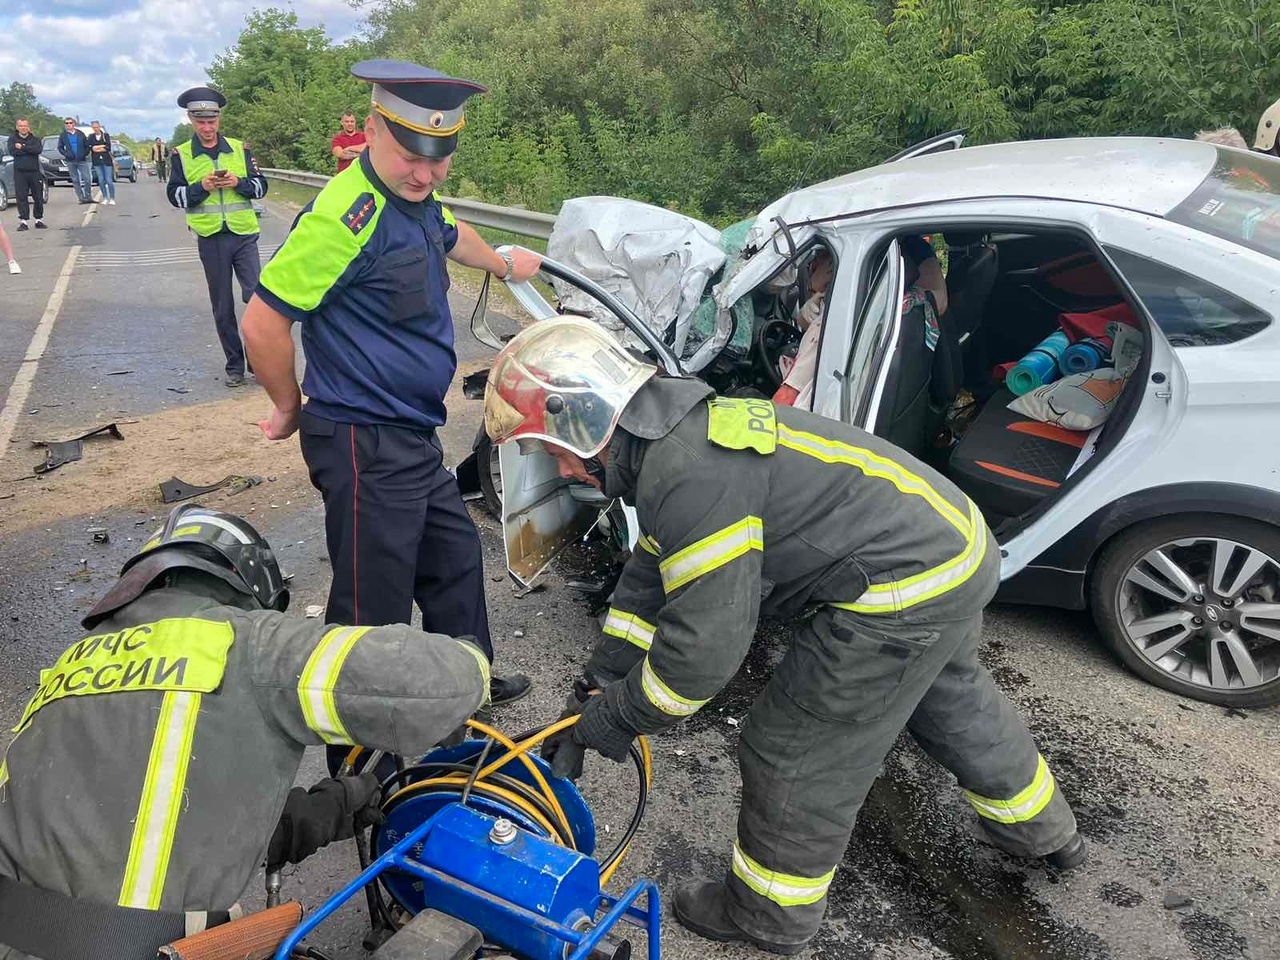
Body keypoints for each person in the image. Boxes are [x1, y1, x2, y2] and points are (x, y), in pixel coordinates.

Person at [485, 318, 1087, 955]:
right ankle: (1044, 833)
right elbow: (647, 584)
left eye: (548, 445)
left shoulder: (688, 476)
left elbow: (698, 660)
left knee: (793, 747)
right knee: (949, 698)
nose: (553, 463)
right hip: (951, 547)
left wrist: (612, 720)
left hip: (904, 583)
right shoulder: (681, 441)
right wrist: (594, 687)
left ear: (582, 420)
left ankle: (768, 916)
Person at [0, 504, 488, 960]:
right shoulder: (250, 643)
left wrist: (312, 815)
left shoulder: (72, 666)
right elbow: (433, 686)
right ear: (250, 591)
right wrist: (473, 660)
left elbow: (124, 811)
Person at [243, 58, 540, 734]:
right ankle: (361, 768)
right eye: (412, 156)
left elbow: (448, 232)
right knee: (370, 612)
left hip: (408, 435)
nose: (427, 174)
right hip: (360, 438)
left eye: (441, 161)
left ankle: (469, 686)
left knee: (454, 559)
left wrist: (500, 261)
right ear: (373, 129)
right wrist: (290, 406)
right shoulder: (343, 220)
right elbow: (263, 321)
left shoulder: (416, 197)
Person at [167, 86, 268, 388]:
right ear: (191, 120)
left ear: (219, 120)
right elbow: (175, 196)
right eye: (201, 122)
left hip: (244, 234)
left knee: (259, 300)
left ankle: (259, 363)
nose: (207, 128)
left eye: (212, 121)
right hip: (211, 239)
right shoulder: (181, 155)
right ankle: (235, 366)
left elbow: (262, 187)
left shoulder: (240, 149)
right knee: (222, 306)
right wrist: (203, 188)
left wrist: (239, 182)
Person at [774, 238, 947, 409]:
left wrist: (883, 306)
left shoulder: (911, 246)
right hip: (837, 363)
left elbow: (939, 301)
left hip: (859, 364)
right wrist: (815, 291)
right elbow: (807, 323)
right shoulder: (842, 245)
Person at [6, 119, 45, 231]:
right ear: (17, 127)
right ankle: (24, 221)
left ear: (29, 127)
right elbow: (13, 152)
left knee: (37, 196)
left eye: (25, 126)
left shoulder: (35, 139)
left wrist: (22, 147)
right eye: (21, 126)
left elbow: (37, 150)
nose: (23, 128)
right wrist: (28, 149)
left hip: (34, 171)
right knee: (21, 196)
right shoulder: (12, 139)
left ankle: (39, 220)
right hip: (20, 172)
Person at [57, 117, 93, 204]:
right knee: (75, 180)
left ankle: (88, 197)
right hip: (70, 161)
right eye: (67, 123)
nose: (68, 124)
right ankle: (81, 198)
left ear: (74, 124)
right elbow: (60, 147)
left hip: (81, 160)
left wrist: (84, 154)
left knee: (87, 179)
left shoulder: (80, 134)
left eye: (70, 123)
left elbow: (87, 146)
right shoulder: (63, 135)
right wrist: (66, 154)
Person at [87, 121, 116, 205]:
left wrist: (97, 147)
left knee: (108, 180)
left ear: (99, 127)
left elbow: (108, 147)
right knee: (101, 180)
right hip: (96, 161)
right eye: (94, 127)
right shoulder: (91, 137)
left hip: (106, 160)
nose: (95, 129)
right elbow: (91, 148)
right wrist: (101, 146)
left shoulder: (105, 136)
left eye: (97, 127)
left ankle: (112, 198)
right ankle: (105, 197)